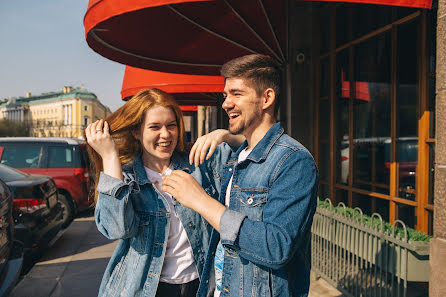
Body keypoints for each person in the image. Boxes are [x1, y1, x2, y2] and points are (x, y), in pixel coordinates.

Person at [161, 54, 319, 297]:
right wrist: (225, 135)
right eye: (225, 95)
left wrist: (201, 201)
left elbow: (276, 247)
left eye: (237, 94)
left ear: (266, 98)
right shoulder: (237, 156)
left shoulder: (294, 160)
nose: (226, 103)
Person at [85, 88, 238, 297]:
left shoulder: (198, 164)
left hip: (199, 285)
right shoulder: (127, 177)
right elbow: (116, 229)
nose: (165, 135)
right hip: (145, 288)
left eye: (171, 125)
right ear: (137, 132)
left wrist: (225, 135)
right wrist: (110, 157)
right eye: (154, 127)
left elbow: (249, 152)